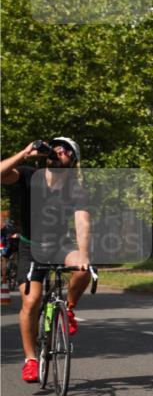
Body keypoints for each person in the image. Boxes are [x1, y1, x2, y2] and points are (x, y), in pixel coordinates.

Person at [1, 138, 91, 383]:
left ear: (72, 162)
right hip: (30, 247)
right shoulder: (29, 176)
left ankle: (69, 309)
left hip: (59, 245)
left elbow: (82, 222)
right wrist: (24, 153)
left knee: (84, 270)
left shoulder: (75, 189)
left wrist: (83, 253)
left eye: (66, 150)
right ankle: (31, 359)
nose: (58, 150)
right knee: (31, 301)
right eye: (55, 146)